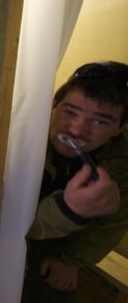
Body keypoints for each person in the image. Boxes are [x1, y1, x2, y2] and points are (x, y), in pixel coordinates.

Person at [22, 61, 128, 302]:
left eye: (101, 121)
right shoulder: (20, 135)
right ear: (53, 106)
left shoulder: (121, 159)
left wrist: (69, 260)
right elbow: (4, 219)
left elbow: (111, 226)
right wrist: (68, 210)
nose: (78, 130)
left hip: (66, 243)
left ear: (119, 128)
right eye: (69, 112)